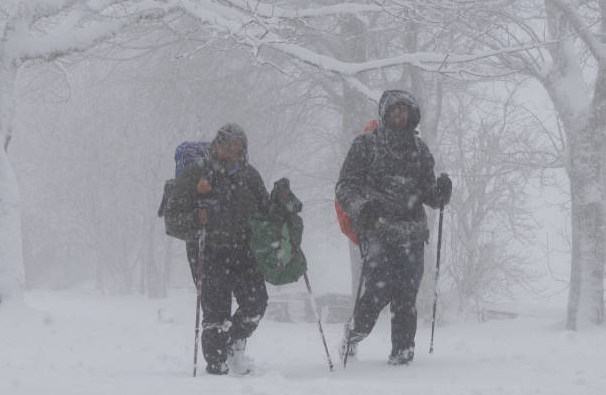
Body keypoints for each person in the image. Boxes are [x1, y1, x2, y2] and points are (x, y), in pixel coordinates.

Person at [335, 90, 452, 365]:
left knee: (406, 295)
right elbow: (345, 187)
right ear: (384, 113)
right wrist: (363, 208)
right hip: (377, 230)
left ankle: (403, 353)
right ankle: (354, 334)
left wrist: (441, 193)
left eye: (404, 110)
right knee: (377, 292)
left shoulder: (420, 150)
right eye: (394, 109)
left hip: (412, 233)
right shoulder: (366, 144)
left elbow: (428, 195)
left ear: (412, 115)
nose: (399, 115)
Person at [165, 123, 270, 375]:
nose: (232, 151)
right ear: (215, 145)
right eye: (227, 145)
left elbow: (265, 214)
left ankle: (233, 343)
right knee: (216, 315)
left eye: (238, 147)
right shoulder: (195, 175)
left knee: (256, 304)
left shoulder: (250, 176)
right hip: (207, 252)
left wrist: (280, 206)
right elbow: (172, 220)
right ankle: (216, 369)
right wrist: (195, 221)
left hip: (243, 252)